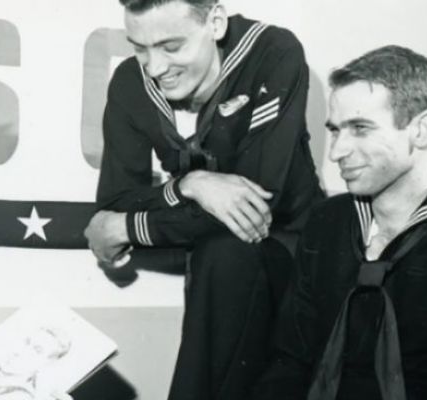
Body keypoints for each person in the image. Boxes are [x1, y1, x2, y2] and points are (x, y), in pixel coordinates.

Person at [83, 0, 323, 398]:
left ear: (215, 22)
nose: (155, 67)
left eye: (171, 47)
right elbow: (116, 199)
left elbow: (253, 204)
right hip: (215, 267)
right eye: (140, 49)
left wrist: (126, 227)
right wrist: (190, 185)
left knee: (225, 253)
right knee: (220, 256)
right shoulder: (129, 81)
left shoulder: (272, 51)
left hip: (295, 257)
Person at [254, 45, 427, 399]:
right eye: (335, 131)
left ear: (421, 130)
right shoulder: (328, 223)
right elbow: (290, 362)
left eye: (360, 129)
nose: (336, 151)